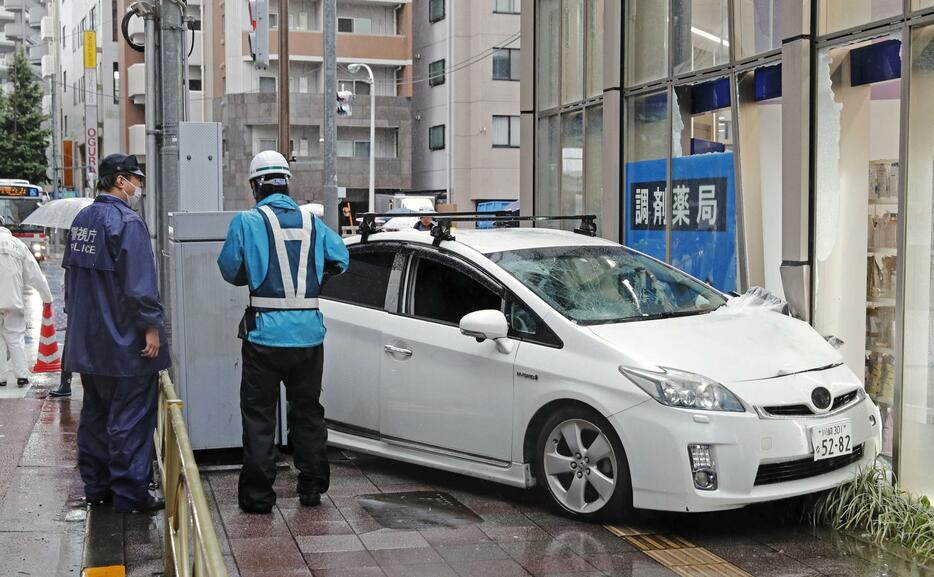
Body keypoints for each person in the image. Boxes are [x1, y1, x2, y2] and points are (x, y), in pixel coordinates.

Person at [217, 150, 349, 514]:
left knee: (260, 417)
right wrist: (314, 281)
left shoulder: (247, 221)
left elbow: (229, 269)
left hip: (264, 338)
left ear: (255, 185)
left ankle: (259, 498)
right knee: (307, 412)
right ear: (286, 182)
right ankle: (311, 488)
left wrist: (254, 275)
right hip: (309, 336)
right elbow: (341, 259)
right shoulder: (313, 223)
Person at [63, 153, 170, 513]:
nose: (139, 186)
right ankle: (130, 493)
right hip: (125, 343)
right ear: (120, 181)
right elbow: (140, 287)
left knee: (95, 414)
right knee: (130, 419)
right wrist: (152, 329)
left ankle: (97, 485)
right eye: (136, 180)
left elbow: (71, 285)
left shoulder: (82, 220)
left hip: (88, 344)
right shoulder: (127, 222)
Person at [0, 224, 53, 387]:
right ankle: (21, 375)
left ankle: (1, 377)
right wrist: (47, 298)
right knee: (15, 339)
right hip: (13, 301)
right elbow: (35, 275)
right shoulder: (19, 245)